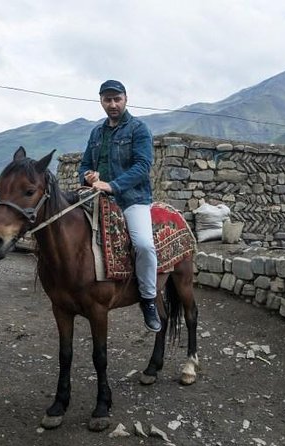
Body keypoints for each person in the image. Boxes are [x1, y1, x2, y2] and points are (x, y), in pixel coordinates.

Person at [78, 80, 161, 332]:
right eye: (107, 100)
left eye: (117, 99)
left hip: (132, 199)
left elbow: (142, 166)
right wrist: (89, 176)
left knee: (144, 245)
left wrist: (111, 185)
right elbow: (83, 165)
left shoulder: (138, 129)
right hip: (98, 198)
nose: (112, 104)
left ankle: (148, 298)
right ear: (101, 101)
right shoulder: (96, 133)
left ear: (126, 99)